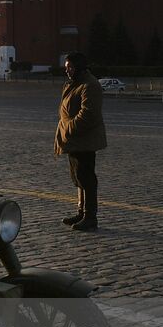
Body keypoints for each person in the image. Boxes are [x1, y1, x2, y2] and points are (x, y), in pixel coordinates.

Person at [54, 52, 106, 231]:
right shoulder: (75, 83)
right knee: (78, 177)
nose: (67, 71)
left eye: (70, 67)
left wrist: (68, 128)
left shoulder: (89, 85)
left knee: (86, 178)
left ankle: (90, 216)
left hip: (84, 140)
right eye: (66, 68)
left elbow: (89, 114)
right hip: (74, 140)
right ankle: (81, 211)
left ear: (79, 68)